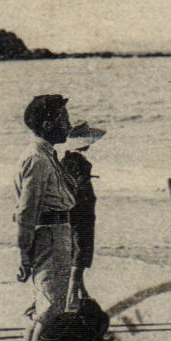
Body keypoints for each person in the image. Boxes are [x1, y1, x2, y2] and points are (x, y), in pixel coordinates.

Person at [14, 93, 84, 341]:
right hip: (51, 234)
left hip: (56, 232)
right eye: (63, 119)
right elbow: (26, 211)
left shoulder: (45, 155)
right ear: (47, 124)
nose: (68, 125)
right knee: (52, 307)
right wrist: (23, 253)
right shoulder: (37, 159)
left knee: (46, 304)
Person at [62, 121, 105, 301]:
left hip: (71, 209)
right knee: (82, 249)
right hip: (82, 210)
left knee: (75, 247)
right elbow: (80, 188)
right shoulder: (78, 162)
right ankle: (72, 293)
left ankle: (80, 290)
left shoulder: (65, 160)